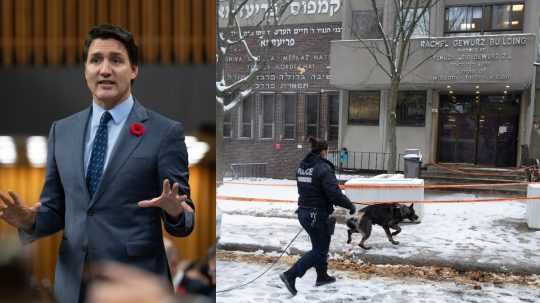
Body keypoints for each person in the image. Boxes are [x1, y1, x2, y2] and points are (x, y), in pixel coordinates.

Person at [0, 24, 194, 303]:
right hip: (72, 284)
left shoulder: (164, 132)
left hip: (135, 283)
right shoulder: (62, 131)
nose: (105, 69)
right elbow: (55, 209)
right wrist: (31, 221)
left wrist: (177, 211)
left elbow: (186, 218)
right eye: (96, 60)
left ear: (134, 69)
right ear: (85, 70)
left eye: (116, 60)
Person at [280, 137, 356, 296]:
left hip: (304, 212)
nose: (327, 153)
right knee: (319, 250)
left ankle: (322, 276)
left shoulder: (302, 166)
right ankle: (291, 275)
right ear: (323, 151)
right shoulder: (323, 168)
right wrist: (350, 205)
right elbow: (334, 194)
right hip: (316, 214)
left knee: (321, 245)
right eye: (326, 150)